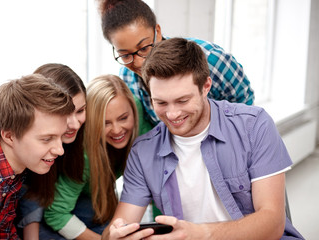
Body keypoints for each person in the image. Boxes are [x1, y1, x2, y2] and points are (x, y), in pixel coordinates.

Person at [102, 38, 304, 240]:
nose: (172, 114)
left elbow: (273, 224)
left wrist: (200, 234)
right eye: (161, 102)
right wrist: (115, 236)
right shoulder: (143, 152)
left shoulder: (254, 125)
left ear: (206, 86)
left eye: (183, 100)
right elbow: (116, 228)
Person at [0, 63, 87, 240]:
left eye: (81, 111)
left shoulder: (13, 168)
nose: (60, 150)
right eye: (47, 139)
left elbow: (3, 232)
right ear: (10, 136)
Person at [98, 0, 255, 127]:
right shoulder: (127, 77)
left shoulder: (212, 59)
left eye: (144, 47)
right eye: (125, 55)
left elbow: (245, 105)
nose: (139, 63)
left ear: (157, 31)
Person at [44, 74, 153, 240]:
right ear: (93, 123)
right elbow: (55, 213)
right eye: (105, 123)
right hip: (70, 205)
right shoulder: (84, 155)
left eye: (123, 118)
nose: (117, 130)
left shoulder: (140, 117)